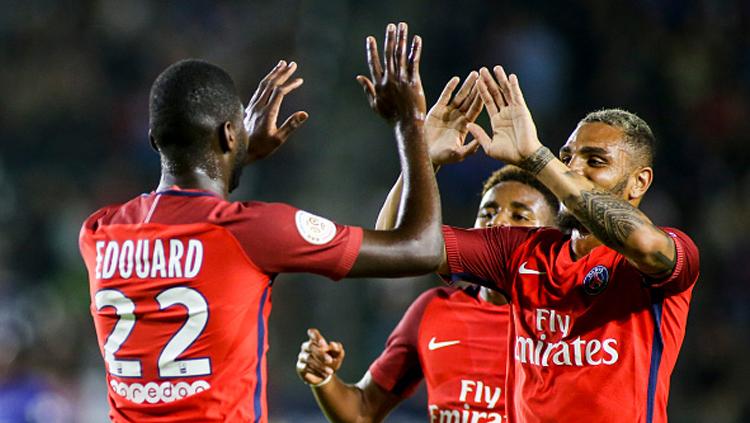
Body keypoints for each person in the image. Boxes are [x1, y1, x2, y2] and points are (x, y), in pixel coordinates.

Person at [78, 22, 444, 422]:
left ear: (154, 141)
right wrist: (410, 122)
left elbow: (187, 222)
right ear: (231, 133)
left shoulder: (99, 233)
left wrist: (233, 155)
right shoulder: (254, 232)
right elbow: (421, 249)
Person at [434, 66, 699, 422]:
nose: (573, 168)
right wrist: (421, 156)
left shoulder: (666, 254)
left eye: (594, 161)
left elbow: (641, 241)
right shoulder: (522, 252)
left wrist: (537, 158)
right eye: (567, 158)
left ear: (639, 182)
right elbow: (402, 245)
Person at [296, 163, 559, 423]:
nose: (498, 222)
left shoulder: (568, 319)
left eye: (519, 216)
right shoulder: (435, 308)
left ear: (552, 237)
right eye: (488, 213)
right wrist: (324, 378)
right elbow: (362, 411)